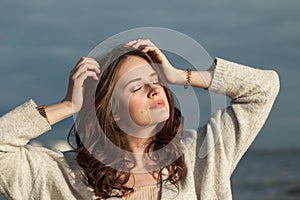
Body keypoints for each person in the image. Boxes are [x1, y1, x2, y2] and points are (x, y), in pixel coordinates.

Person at [0, 39, 280, 200]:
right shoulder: (64, 176)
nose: (155, 88)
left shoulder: (201, 155)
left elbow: (264, 89)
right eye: (137, 86)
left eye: (156, 80)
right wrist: (68, 105)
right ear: (113, 112)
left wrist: (179, 75)